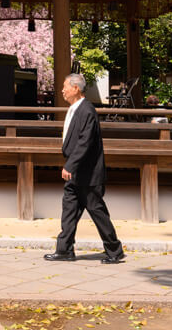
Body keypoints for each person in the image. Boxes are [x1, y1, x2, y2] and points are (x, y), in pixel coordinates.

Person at [44, 73, 125, 264]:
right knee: (69, 210)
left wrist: (70, 165)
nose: (62, 90)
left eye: (65, 86)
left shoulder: (87, 110)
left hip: (88, 173)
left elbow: (85, 142)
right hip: (76, 172)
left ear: (76, 88)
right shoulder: (74, 109)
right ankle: (64, 250)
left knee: (97, 211)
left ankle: (114, 250)